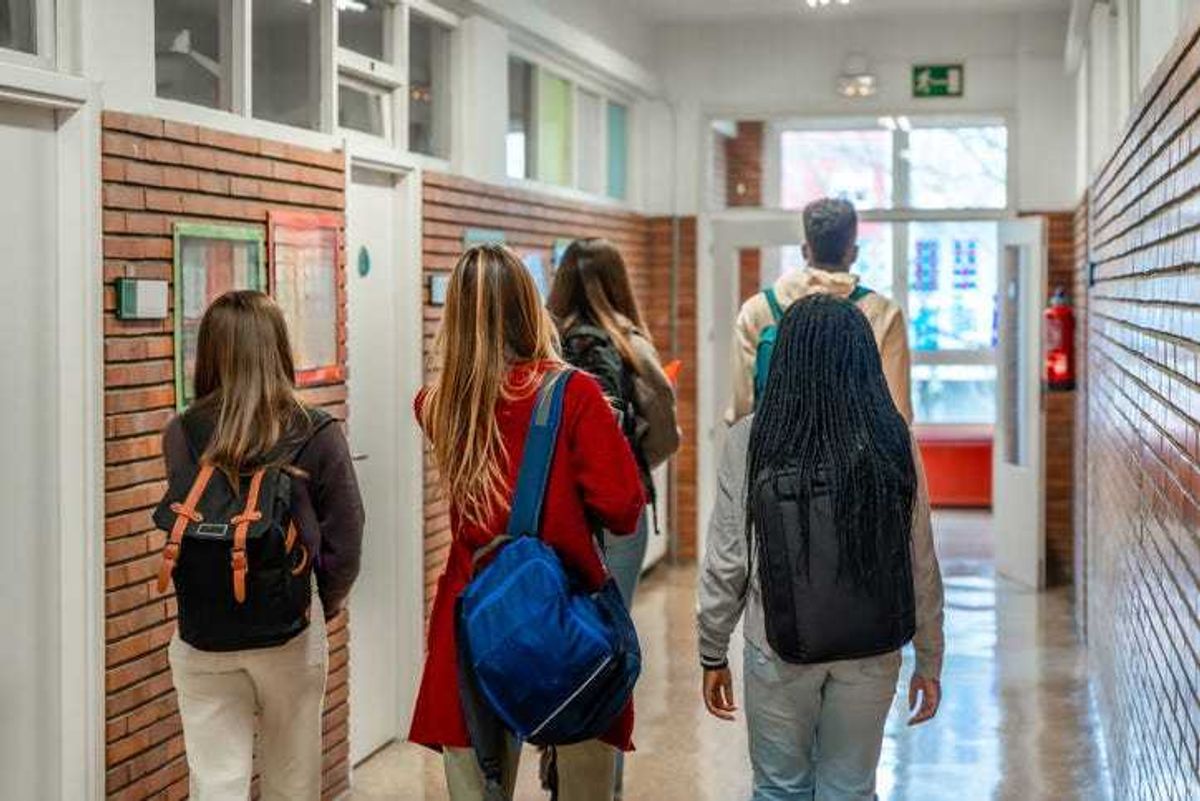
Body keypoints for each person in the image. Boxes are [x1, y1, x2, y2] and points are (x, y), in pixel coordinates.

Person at [409, 243, 646, 801]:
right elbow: (623, 508)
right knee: (585, 781)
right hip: (567, 612)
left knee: (478, 787)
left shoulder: (437, 405)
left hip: (475, 618)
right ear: (528, 304)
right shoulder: (576, 395)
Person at [698, 294, 944, 801]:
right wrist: (930, 657)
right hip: (873, 645)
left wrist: (712, 649)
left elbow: (729, 561)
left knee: (780, 789)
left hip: (779, 647)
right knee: (850, 791)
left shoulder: (751, 439)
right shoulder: (894, 439)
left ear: (784, 358)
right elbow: (920, 558)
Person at [160, 290, 364, 801]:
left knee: (215, 780)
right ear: (278, 348)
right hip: (289, 626)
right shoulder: (316, 431)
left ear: (208, 351)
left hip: (203, 625)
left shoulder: (182, 432)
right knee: (292, 777)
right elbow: (346, 539)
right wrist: (325, 601)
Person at [548, 237, 681, 799]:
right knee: (608, 645)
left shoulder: (545, 344)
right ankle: (602, 784)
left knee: (560, 642)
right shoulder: (628, 344)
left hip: (555, 513)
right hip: (616, 518)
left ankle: (564, 773)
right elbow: (664, 431)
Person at [727, 197, 913, 423]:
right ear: (853, 253)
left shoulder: (758, 310)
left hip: (774, 455)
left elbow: (742, 409)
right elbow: (898, 414)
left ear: (805, 250)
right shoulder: (882, 314)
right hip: (857, 456)